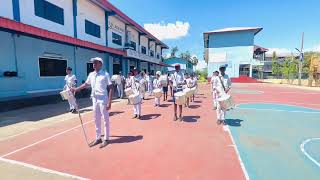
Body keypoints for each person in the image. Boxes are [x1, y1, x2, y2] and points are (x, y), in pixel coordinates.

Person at [72, 57, 113, 148]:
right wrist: (76, 89)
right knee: (96, 119)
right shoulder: (91, 74)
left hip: (103, 99)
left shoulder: (105, 74)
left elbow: (110, 88)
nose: (93, 64)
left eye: (95, 63)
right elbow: (86, 84)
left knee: (105, 119)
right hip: (94, 99)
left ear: (100, 64)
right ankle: (98, 138)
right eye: (93, 63)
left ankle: (106, 139)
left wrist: (109, 102)